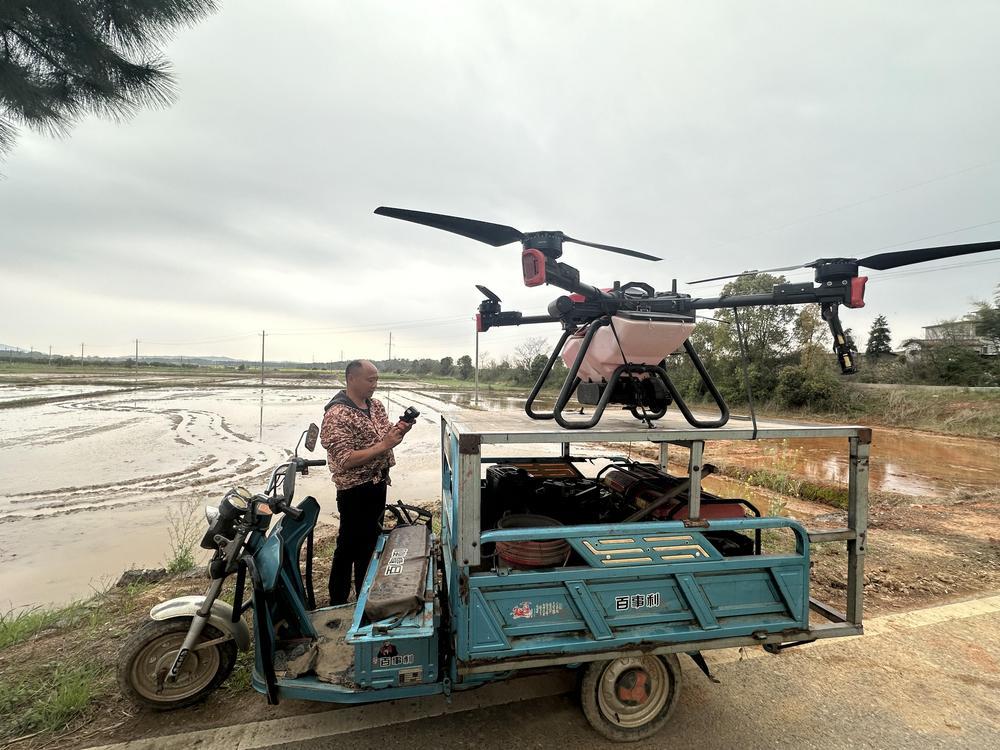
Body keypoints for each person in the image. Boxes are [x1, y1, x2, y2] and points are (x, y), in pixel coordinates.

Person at [320, 359, 412, 605]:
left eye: (376, 379)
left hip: (377, 483)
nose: (375, 384)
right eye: (370, 380)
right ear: (351, 379)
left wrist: (398, 432)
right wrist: (384, 444)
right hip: (354, 490)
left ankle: (364, 595)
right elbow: (345, 460)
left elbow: (384, 436)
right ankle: (338, 602)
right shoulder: (337, 414)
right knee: (347, 546)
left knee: (370, 543)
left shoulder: (376, 406)